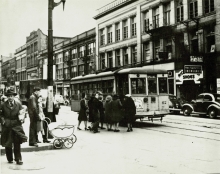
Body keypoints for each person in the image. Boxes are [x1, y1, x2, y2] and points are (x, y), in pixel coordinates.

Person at [0, 89, 27, 165]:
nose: (10, 98)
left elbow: (22, 113)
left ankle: (18, 159)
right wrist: (3, 121)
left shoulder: (18, 104)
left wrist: (22, 118)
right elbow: (1, 115)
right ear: (7, 97)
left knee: (17, 143)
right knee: (8, 143)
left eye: (11, 96)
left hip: (16, 126)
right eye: (8, 96)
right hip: (7, 126)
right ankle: (10, 158)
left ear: (14, 97)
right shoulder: (3, 104)